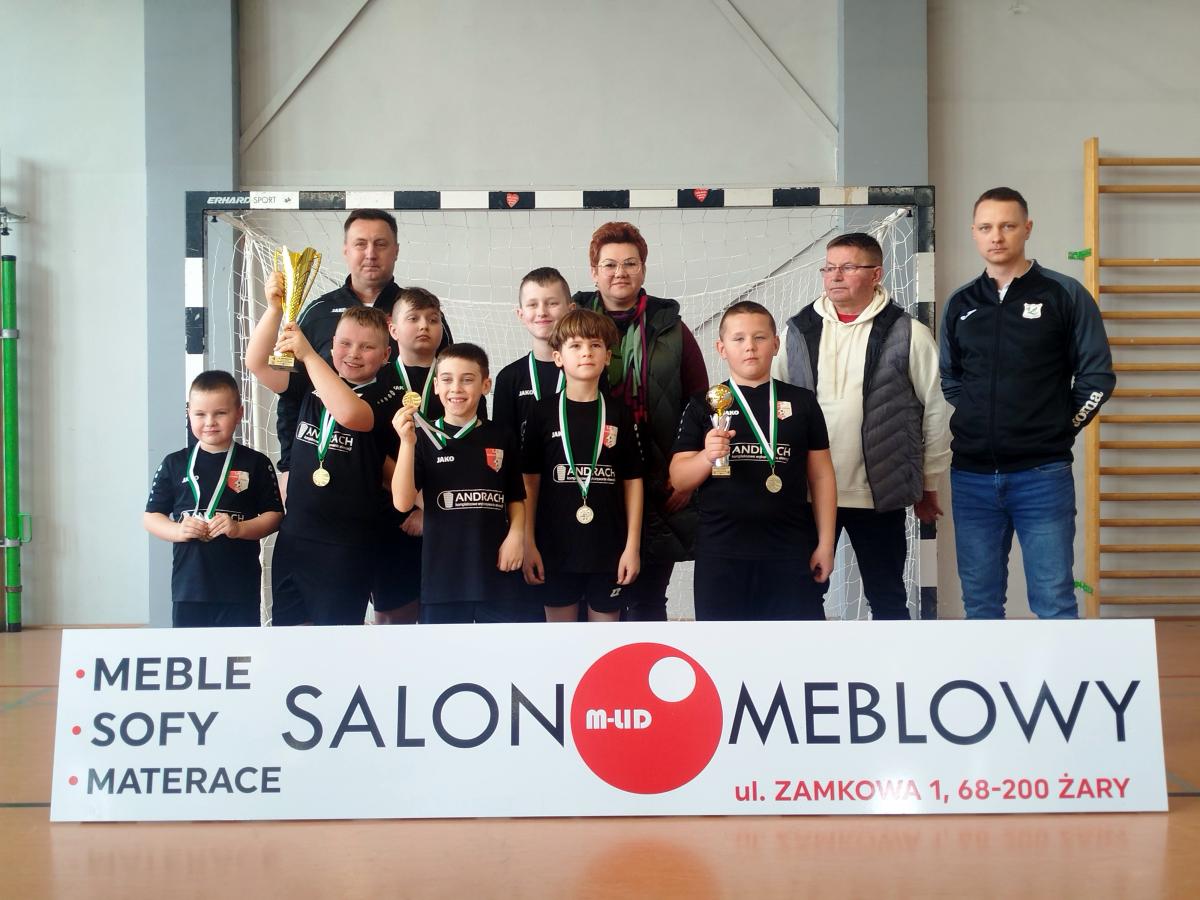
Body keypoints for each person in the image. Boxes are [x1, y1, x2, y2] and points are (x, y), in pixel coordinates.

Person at [940, 187, 1115, 619]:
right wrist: (980, 419)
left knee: (1054, 602)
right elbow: (952, 379)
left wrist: (1059, 425)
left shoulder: (1064, 294)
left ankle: (1056, 670)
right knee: (980, 605)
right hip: (972, 478)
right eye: (986, 227)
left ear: (1027, 229)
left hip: (1042, 476)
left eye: (1007, 226)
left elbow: (1097, 377)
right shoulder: (961, 303)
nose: (996, 236)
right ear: (974, 232)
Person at [772, 233, 951, 620]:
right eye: (829, 267)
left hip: (879, 495)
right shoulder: (797, 331)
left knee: (887, 599)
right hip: (807, 493)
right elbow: (774, 405)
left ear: (876, 274)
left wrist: (929, 481)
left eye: (848, 267)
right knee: (801, 597)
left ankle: (895, 662)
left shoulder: (909, 333)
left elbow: (937, 409)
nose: (835, 276)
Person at [248, 276, 402, 626]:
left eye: (366, 347)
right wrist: (274, 310)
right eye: (345, 343)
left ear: (386, 355)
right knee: (290, 636)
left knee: (336, 642)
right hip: (295, 537)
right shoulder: (312, 383)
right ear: (331, 346)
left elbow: (350, 414)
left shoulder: (387, 394)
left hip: (346, 545)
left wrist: (307, 355)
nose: (353, 354)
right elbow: (257, 363)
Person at [574, 221, 709, 621]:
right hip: (588, 481)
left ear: (643, 269)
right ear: (594, 272)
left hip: (659, 483)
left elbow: (699, 405)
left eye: (630, 263)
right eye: (610, 264)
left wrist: (685, 476)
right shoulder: (572, 325)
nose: (620, 273)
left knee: (648, 599)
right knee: (588, 597)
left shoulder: (672, 329)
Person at [670, 302, 836, 620]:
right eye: (738, 339)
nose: (750, 346)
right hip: (721, 553)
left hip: (789, 550)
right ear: (721, 348)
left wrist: (826, 544)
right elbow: (679, 478)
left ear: (775, 344)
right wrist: (707, 456)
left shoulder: (802, 402)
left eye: (759, 337)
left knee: (794, 644)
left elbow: (821, 477)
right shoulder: (705, 403)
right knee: (723, 647)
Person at [390, 343, 527, 624]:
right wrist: (406, 443)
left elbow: (515, 496)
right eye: (447, 379)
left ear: (485, 385)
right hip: (443, 580)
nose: (456, 388)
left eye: (467, 379)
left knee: (499, 650)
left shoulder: (502, 435)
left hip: (496, 574)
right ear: (436, 386)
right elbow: (402, 502)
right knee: (445, 653)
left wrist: (516, 536)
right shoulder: (422, 437)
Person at [522, 309, 643, 622]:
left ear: (607, 357)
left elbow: (632, 481)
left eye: (595, 345)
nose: (586, 352)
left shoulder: (619, 413)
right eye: (575, 346)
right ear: (558, 357)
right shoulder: (541, 412)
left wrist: (632, 546)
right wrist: (528, 541)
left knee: (605, 640)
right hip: (554, 548)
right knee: (561, 640)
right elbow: (529, 482)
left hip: (609, 548)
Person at [274, 209, 404, 486]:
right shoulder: (318, 313)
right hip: (325, 476)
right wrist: (288, 466)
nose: (371, 253)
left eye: (381, 244)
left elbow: (443, 388)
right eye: (360, 244)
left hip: (401, 475)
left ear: (396, 250)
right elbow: (292, 394)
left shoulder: (418, 314)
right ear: (346, 250)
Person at [144, 370, 283, 627]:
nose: (210, 422)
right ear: (189, 414)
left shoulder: (256, 463)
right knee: (191, 649)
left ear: (239, 413)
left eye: (220, 413)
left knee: (239, 649)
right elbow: (151, 517)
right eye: (200, 414)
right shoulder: (174, 463)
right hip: (189, 589)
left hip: (239, 588)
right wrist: (178, 531)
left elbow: (274, 516)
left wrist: (239, 528)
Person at [371, 287, 447, 625]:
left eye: (433, 319)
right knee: (393, 620)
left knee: (444, 623)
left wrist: (431, 511)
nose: (424, 326)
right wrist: (417, 504)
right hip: (392, 518)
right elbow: (372, 453)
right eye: (413, 318)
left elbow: (469, 450)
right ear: (393, 328)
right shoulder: (376, 380)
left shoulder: (456, 379)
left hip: (446, 518)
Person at [492, 267, 575, 439]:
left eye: (552, 303)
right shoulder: (508, 378)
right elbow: (502, 444)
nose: (542, 312)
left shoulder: (587, 369)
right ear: (520, 314)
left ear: (571, 310)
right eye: (532, 305)